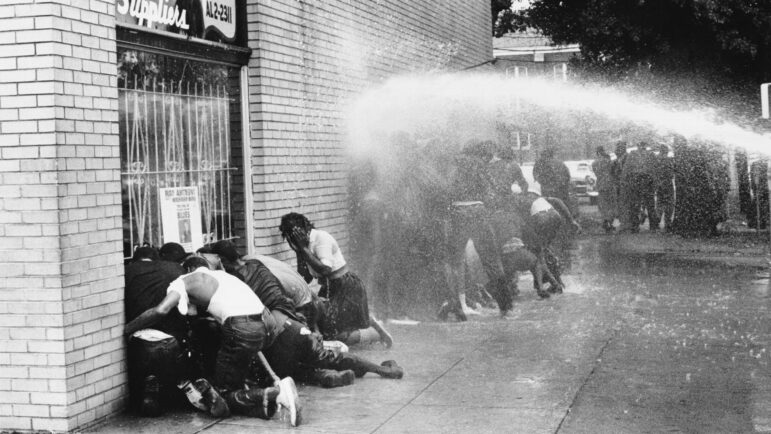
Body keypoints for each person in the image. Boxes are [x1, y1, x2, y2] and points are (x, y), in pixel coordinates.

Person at [125, 256, 285, 420]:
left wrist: (128, 329)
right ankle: (261, 407)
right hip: (268, 323)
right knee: (238, 367)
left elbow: (161, 310)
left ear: (187, 269)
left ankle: (273, 394)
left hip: (242, 326)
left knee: (224, 392)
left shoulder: (183, 281)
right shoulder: (223, 276)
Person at [279, 212, 393, 348]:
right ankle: (368, 320)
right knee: (321, 326)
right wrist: (299, 252)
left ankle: (374, 333)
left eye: (294, 236)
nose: (293, 241)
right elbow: (307, 278)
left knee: (335, 335)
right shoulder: (304, 246)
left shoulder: (321, 238)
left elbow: (326, 269)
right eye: (290, 238)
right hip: (329, 287)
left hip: (347, 286)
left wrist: (303, 249)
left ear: (303, 229)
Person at [124, 246, 205, 417]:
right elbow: (192, 312)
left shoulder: (126, 271)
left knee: (141, 373)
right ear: (158, 259)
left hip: (139, 341)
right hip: (171, 341)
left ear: (134, 260)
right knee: (177, 368)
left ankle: (149, 390)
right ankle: (182, 385)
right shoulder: (175, 270)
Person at [437, 141, 509, 320]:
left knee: (454, 260)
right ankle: (505, 305)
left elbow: (446, 188)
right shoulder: (480, 165)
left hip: (458, 211)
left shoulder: (454, 162)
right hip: (479, 211)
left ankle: (455, 304)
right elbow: (492, 191)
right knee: (491, 259)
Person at [513, 192, 580, 297]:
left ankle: (548, 283)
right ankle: (555, 279)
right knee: (544, 250)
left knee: (537, 252)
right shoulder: (537, 198)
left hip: (540, 219)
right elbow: (558, 201)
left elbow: (521, 225)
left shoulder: (517, 203)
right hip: (555, 216)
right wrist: (571, 221)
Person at [592, 146, 616, 232]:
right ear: (603, 151)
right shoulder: (609, 161)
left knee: (603, 205)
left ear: (597, 152)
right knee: (611, 204)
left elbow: (596, 173)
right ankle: (609, 221)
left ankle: (605, 220)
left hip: (601, 185)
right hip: (610, 184)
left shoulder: (594, 163)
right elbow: (613, 172)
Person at [655, 143, 675, 232]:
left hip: (659, 183)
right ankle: (667, 223)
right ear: (666, 151)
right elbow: (671, 173)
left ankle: (657, 221)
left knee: (660, 203)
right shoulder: (668, 160)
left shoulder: (656, 159)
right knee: (669, 204)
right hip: (667, 183)